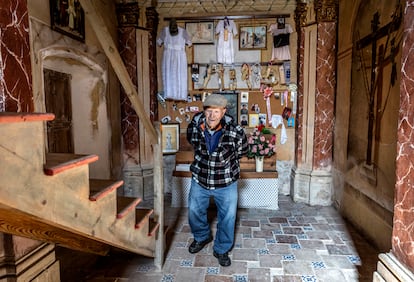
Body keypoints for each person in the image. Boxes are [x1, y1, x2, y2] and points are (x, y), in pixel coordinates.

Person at [186, 94, 248, 267]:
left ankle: (221, 249)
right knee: (193, 212)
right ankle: (202, 237)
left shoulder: (235, 130)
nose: (211, 115)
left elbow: (242, 151)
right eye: (208, 111)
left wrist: (226, 162)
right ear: (204, 111)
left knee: (227, 218)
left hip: (226, 181)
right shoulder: (195, 126)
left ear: (223, 112)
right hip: (200, 178)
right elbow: (191, 140)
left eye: (216, 111)